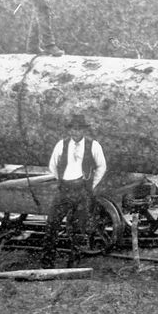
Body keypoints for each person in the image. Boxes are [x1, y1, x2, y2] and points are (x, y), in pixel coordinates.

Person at [41, 114, 107, 268]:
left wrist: (91, 184)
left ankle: (73, 262)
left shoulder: (94, 146)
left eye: (79, 129)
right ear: (69, 130)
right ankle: (47, 261)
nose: (75, 132)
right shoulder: (61, 145)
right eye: (73, 128)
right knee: (52, 223)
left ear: (83, 130)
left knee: (78, 228)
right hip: (64, 189)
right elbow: (52, 165)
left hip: (82, 191)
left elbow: (101, 166)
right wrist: (62, 180)